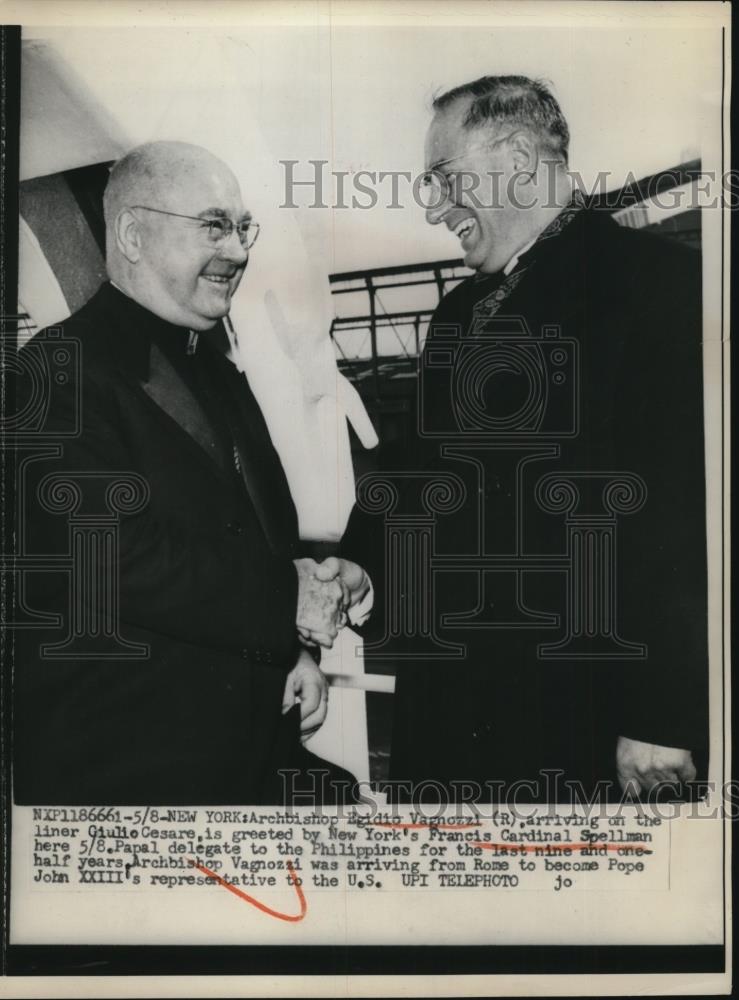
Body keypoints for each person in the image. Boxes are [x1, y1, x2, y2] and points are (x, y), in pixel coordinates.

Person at [343, 76, 707, 803]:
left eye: (442, 178)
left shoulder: (663, 287)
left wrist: (663, 713)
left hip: (582, 716)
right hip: (450, 709)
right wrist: (360, 562)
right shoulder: (455, 314)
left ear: (513, 157)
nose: (432, 204)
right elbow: (413, 469)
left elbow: (688, 516)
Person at [13, 141, 366, 806]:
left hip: (239, 745)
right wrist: (281, 601)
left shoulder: (216, 371)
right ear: (132, 235)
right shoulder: (54, 373)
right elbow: (109, 554)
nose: (236, 251)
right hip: (125, 766)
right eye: (212, 225)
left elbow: (258, 532)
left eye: (241, 227)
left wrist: (292, 653)